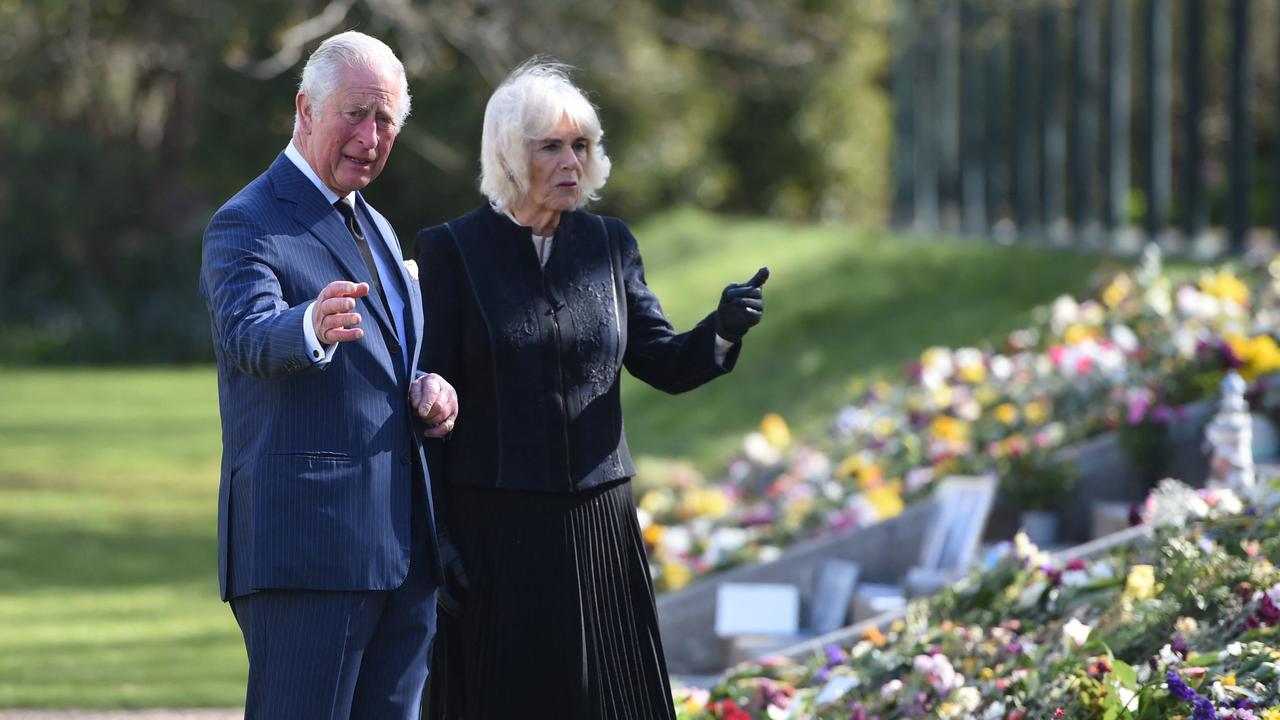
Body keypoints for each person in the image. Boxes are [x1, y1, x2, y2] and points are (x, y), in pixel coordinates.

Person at [415, 59, 767, 719]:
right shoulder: (452, 251)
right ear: (508, 155)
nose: (571, 160)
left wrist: (719, 330)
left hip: (599, 525)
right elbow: (428, 405)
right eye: (551, 146)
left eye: (582, 145)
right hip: (494, 530)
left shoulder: (609, 244)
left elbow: (661, 359)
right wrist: (434, 534)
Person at [199, 31, 459, 719]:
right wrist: (309, 327)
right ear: (305, 109)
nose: (371, 136)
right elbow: (247, 336)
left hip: (401, 552)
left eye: (387, 121)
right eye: (356, 113)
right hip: (309, 550)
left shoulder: (375, 225)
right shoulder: (248, 223)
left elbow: (383, 361)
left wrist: (427, 390)